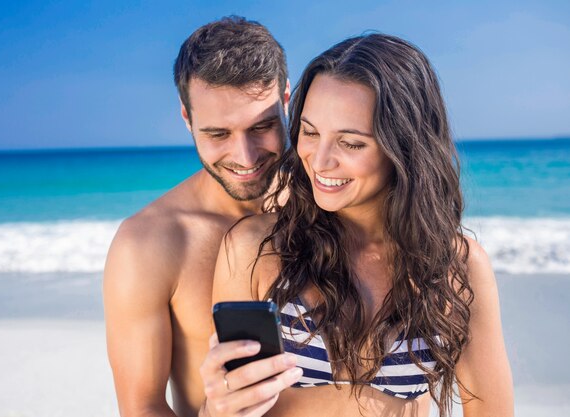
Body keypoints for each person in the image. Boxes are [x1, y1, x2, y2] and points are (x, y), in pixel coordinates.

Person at [200, 33, 514, 417]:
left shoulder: (455, 266)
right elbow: (228, 405)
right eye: (310, 132)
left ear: (403, 149)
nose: (319, 160)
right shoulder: (255, 249)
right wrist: (215, 407)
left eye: (350, 143)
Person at [103, 16, 300, 417]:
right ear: (187, 119)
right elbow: (141, 408)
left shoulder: (337, 205)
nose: (245, 157)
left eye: (261, 127)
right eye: (217, 135)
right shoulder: (150, 243)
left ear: (285, 101)